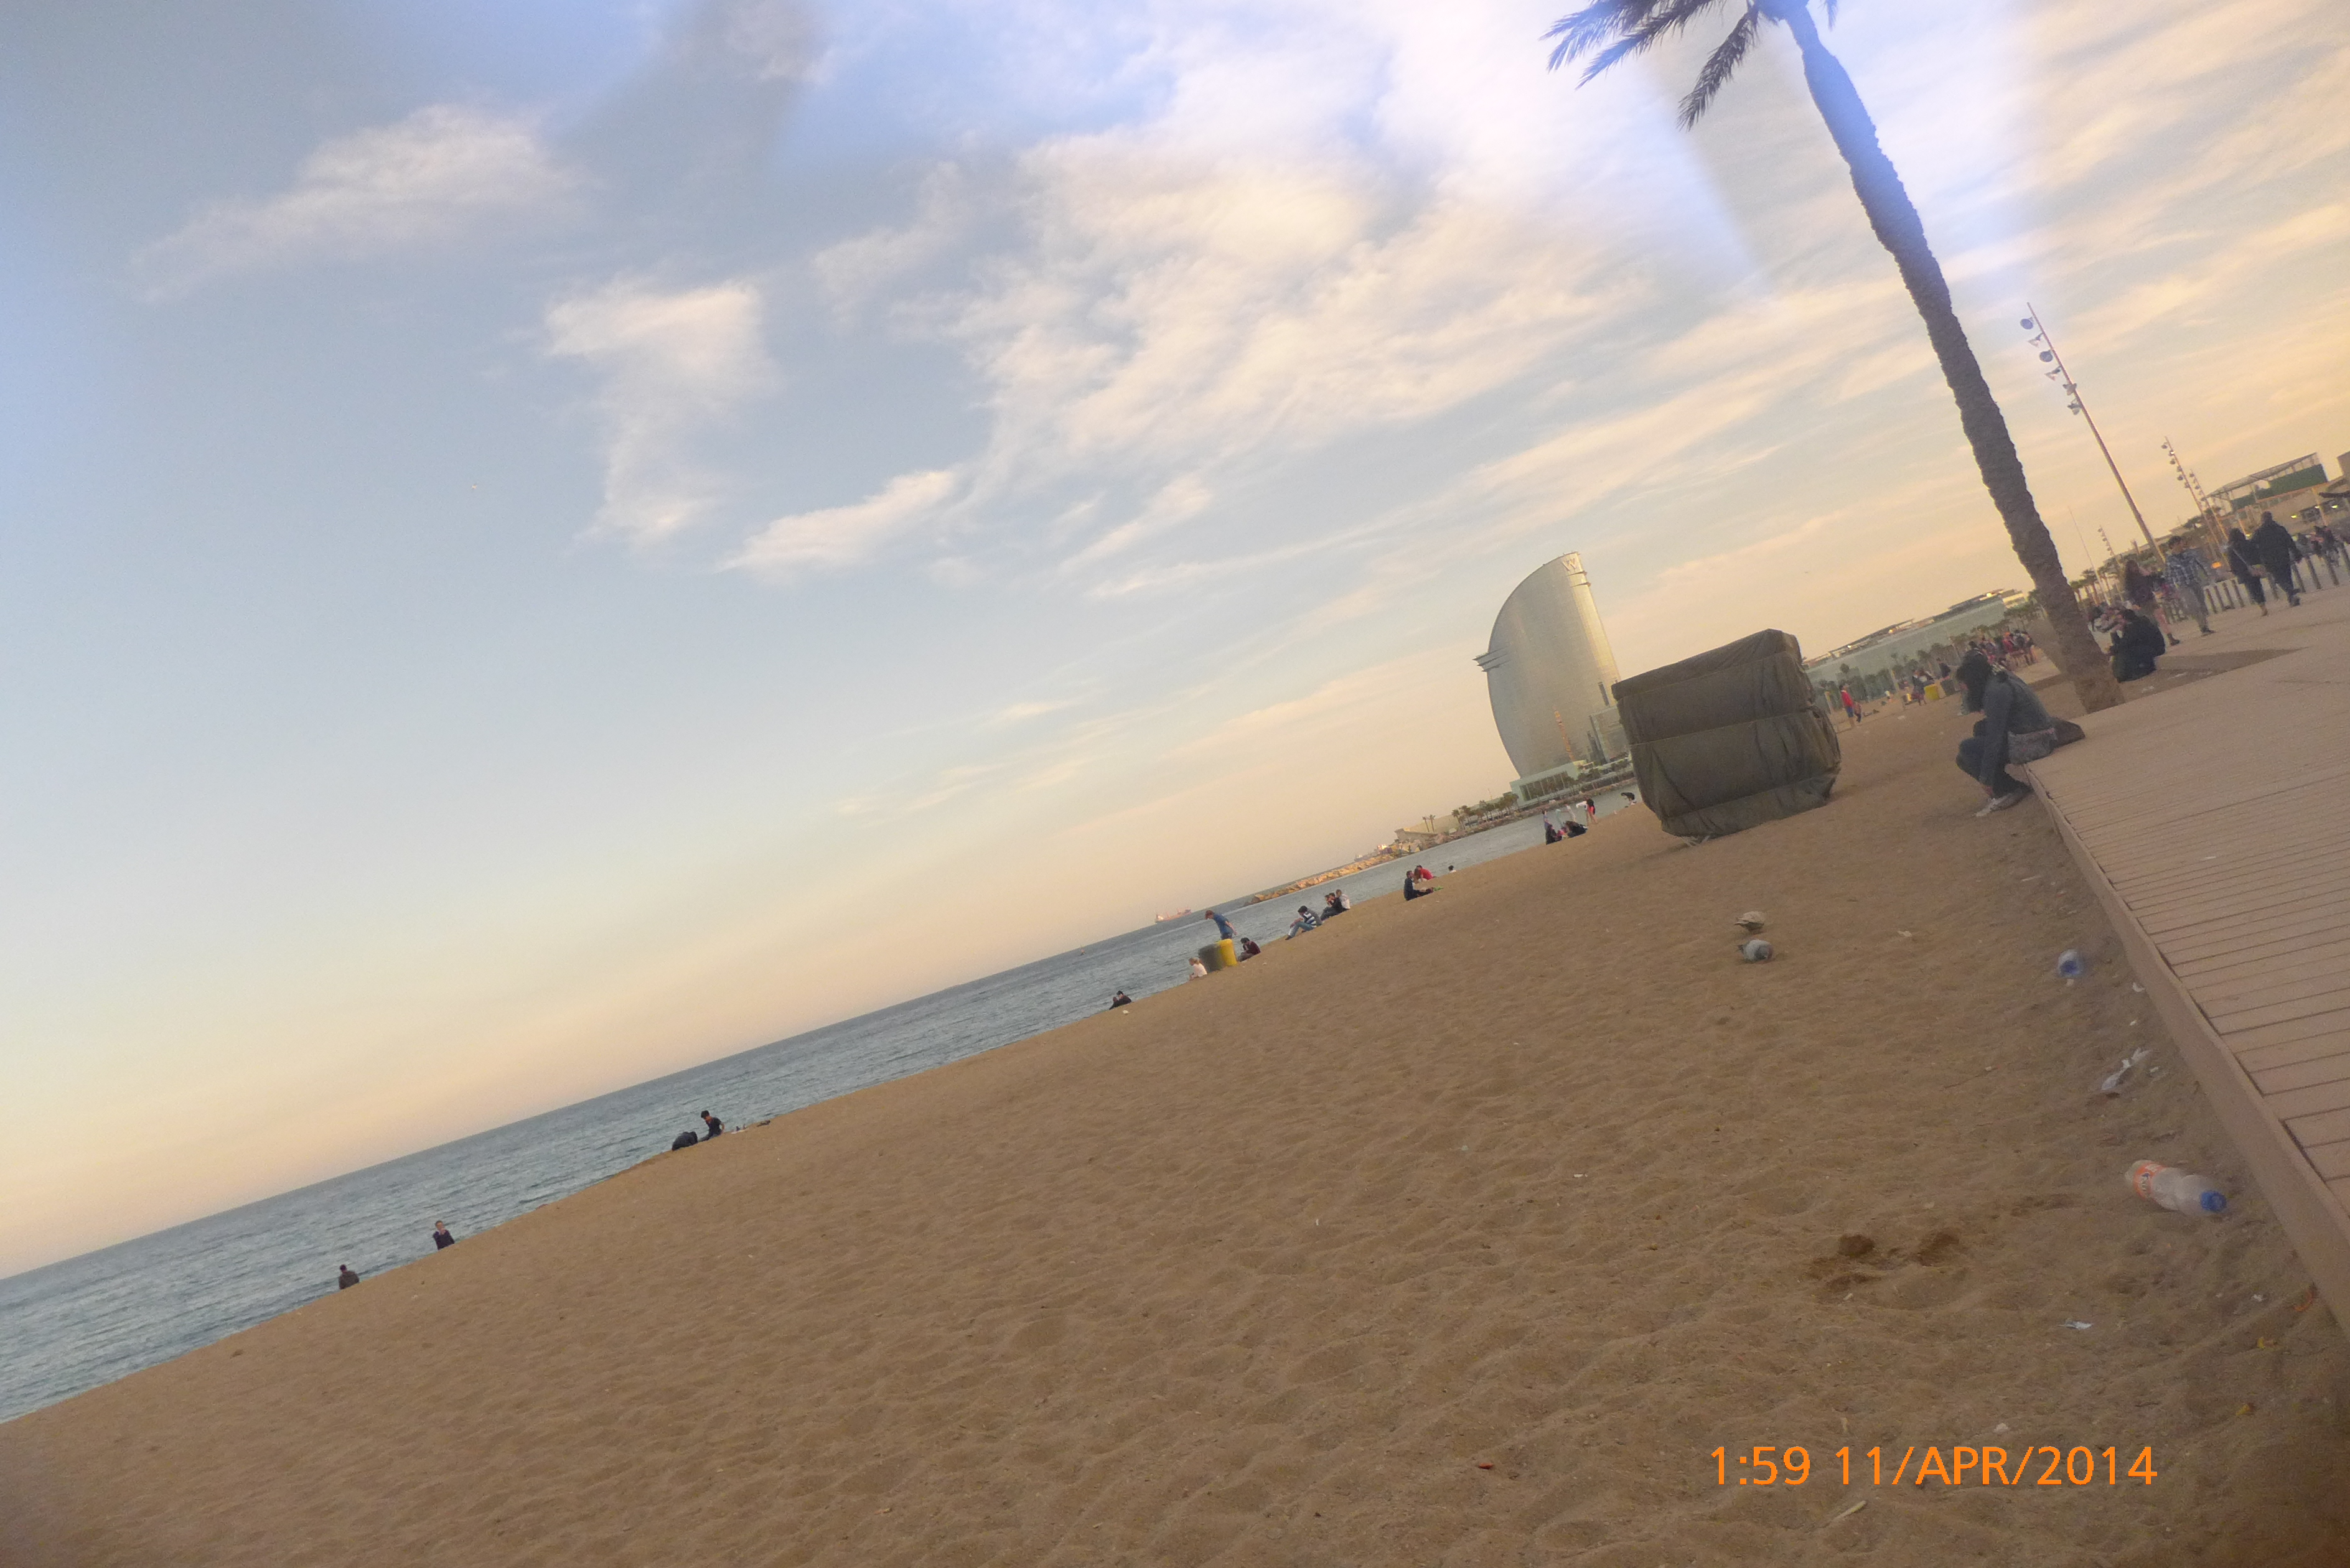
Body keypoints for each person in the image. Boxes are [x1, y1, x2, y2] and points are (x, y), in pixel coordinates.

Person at [1953, 651, 2059, 816]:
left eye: (1964, 684)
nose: (1964, 688)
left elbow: (1995, 737)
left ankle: (2007, 790)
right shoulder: (1999, 678)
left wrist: (1986, 778)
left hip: (2036, 742)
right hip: (2036, 733)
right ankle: (2008, 786)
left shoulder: (1996, 691)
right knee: (1975, 737)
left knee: (1967, 748)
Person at [2162, 544, 2214, 635]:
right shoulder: (2170, 560)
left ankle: (2205, 624)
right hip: (2183, 585)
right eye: (2178, 544)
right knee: (2193, 605)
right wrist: (2171, 589)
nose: (2181, 546)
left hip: (2195, 582)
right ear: (2173, 546)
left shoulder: (2190, 554)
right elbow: (2168, 575)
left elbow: (2201, 565)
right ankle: (2203, 627)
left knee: (2201, 604)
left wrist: (2208, 576)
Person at [2254, 511, 2302, 607]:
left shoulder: (2259, 532)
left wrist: (2257, 559)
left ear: (2262, 520)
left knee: (2279, 579)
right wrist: (2296, 553)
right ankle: (2292, 597)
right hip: (2284, 556)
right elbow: (2290, 542)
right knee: (2287, 577)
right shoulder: (2280, 529)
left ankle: (2290, 592)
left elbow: (2253, 546)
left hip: (2269, 560)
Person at [2109, 606, 2165, 681]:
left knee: (2124, 652)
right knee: (2121, 651)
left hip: (2154, 648)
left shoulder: (2137, 626)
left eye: (2120, 619)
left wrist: (2114, 635)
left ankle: (2123, 675)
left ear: (2126, 619)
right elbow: (2123, 643)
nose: (2119, 622)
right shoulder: (2132, 625)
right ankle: (2120, 674)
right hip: (2146, 647)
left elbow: (2125, 643)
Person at [2227, 526, 2270, 614]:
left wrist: (2234, 571)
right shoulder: (2249, 544)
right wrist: (2260, 564)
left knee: (2251, 589)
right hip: (2254, 568)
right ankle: (2263, 602)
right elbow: (2257, 554)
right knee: (2258, 586)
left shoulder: (2232, 549)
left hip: (2243, 572)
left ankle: (2262, 606)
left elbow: (2232, 562)